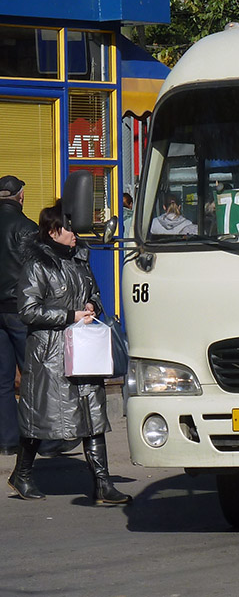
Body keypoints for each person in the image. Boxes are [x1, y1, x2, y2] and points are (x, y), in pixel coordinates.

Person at [7, 201, 131, 504]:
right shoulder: (37, 265)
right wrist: (69, 315)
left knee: (93, 414)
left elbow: (94, 294)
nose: (75, 233)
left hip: (84, 350)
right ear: (52, 231)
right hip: (50, 355)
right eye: (68, 227)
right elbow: (28, 310)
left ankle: (103, 484)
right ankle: (21, 474)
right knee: (39, 418)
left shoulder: (79, 259)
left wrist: (91, 307)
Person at [0, 175, 35, 456]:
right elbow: (38, 271)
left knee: (2, 379)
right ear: (20, 196)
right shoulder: (27, 228)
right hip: (19, 309)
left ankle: (7, 440)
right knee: (34, 375)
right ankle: (43, 439)